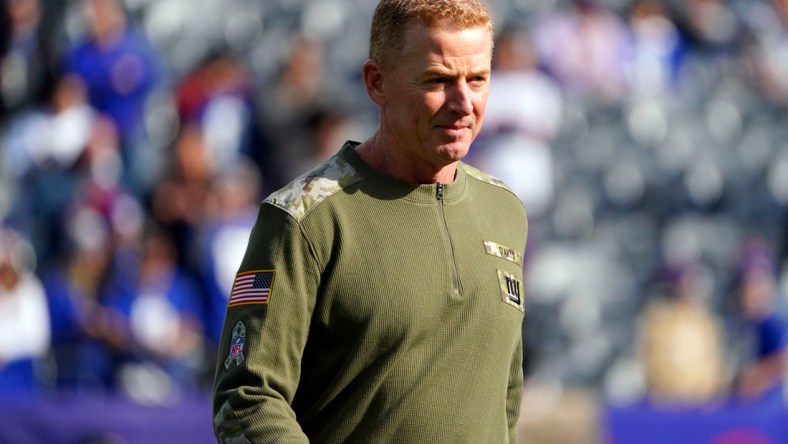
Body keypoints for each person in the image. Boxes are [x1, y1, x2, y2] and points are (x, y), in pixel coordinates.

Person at [212, 0, 528, 443]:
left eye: (478, 79)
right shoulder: (305, 219)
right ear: (377, 82)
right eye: (438, 80)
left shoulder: (505, 211)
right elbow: (245, 400)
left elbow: (503, 401)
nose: (463, 103)